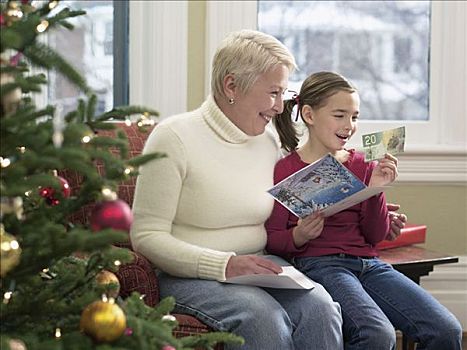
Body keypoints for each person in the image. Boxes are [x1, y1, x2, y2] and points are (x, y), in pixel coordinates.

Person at [130, 29, 344, 350]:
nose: (278, 107)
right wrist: (225, 265)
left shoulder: (268, 140)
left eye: (283, 93)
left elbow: (285, 208)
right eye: (273, 92)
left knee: (322, 310)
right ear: (231, 86)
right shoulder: (173, 137)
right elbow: (145, 237)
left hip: (260, 265)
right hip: (190, 275)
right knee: (263, 318)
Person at [265, 71, 462, 350]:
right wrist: (299, 235)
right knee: (377, 334)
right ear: (309, 115)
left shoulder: (362, 163)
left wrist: (376, 189)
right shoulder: (286, 169)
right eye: (340, 115)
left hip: (369, 263)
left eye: (355, 117)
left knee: (446, 329)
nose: (350, 125)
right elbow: (272, 238)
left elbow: (374, 235)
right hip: (321, 264)